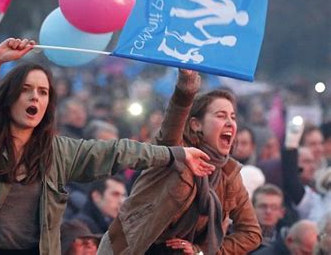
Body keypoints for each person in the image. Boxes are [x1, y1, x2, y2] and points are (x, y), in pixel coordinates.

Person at [0, 38, 215, 255]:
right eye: (26, 89)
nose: (35, 97)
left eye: (43, 92)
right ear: (8, 98)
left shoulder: (60, 153)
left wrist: (175, 154)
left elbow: (118, 151)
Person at [100, 72, 262, 254]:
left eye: (233, 117)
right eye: (221, 116)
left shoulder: (230, 175)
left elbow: (251, 233)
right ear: (195, 124)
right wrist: (186, 87)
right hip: (133, 248)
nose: (230, 123)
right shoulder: (175, 149)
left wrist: (201, 252)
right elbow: (174, 119)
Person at [251, 184, 286, 249]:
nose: (268, 211)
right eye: (262, 206)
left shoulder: (287, 241)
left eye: (274, 207)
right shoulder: (236, 238)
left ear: (282, 213)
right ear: (251, 209)